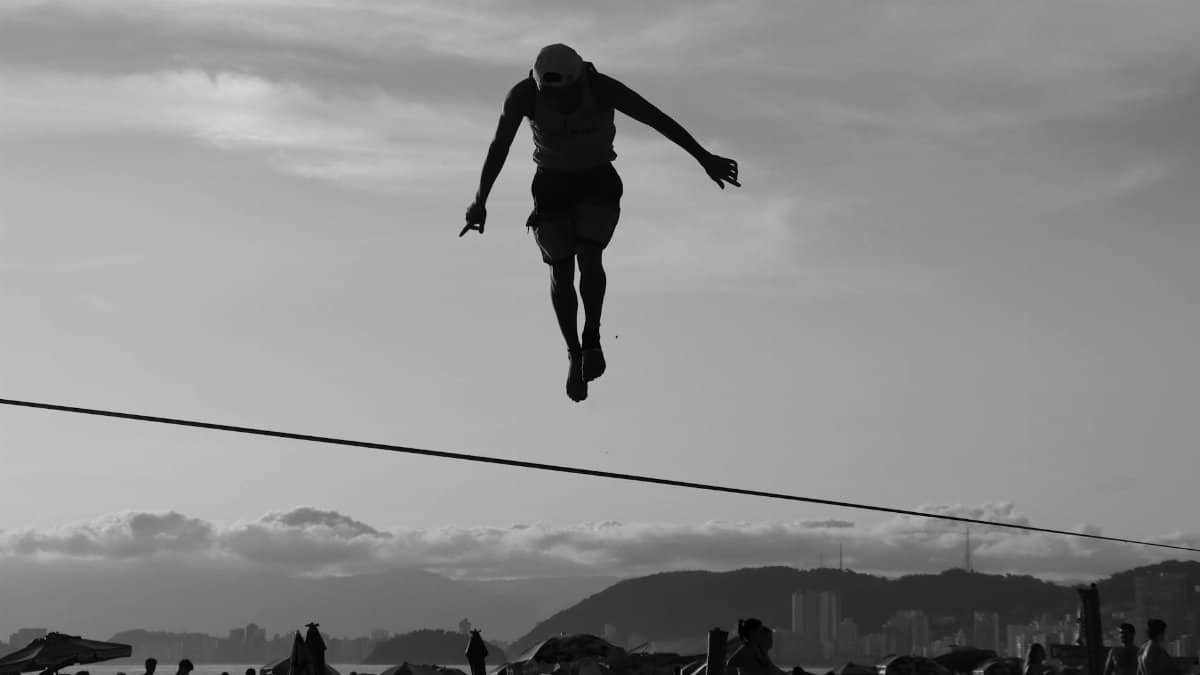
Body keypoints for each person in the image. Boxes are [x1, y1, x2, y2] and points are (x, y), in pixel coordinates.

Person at [462, 42, 741, 402]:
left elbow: (657, 119)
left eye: (565, 95)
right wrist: (480, 200)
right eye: (552, 95)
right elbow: (499, 144)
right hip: (551, 183)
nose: (559, 102)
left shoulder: (601, 88)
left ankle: (592, 336)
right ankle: (574, 353)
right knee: (560, 270)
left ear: (578, 82)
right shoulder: (524, 96)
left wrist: (704, 157)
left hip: (597, 179)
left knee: (589, 256)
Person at [725, 618, 790, 675]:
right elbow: (731, 664)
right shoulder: (746, 650)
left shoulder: (759, 651)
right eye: (760, 630)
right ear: (752, 632)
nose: (761, 633)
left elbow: (771, 669)